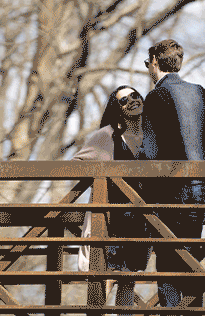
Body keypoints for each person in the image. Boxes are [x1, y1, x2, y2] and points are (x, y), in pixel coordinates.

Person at [141, 39, 205, 310]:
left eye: (147, 63)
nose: (148, 68)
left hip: (167, 195)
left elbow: (149, 155)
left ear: (154, 62)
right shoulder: (199, 92)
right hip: (197, 192)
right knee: (190, 264)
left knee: (168, 265)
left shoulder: (156, 97)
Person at [72, 85, 151, 309]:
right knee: (107, 277)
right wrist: (101, 173)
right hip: (113, 220)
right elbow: (75, 165)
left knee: (128, 279)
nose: (132, 101)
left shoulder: (151, 136)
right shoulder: (107, 135)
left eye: (134, 95)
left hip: (142, 220)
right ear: (117, 108)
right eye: (123, 100)